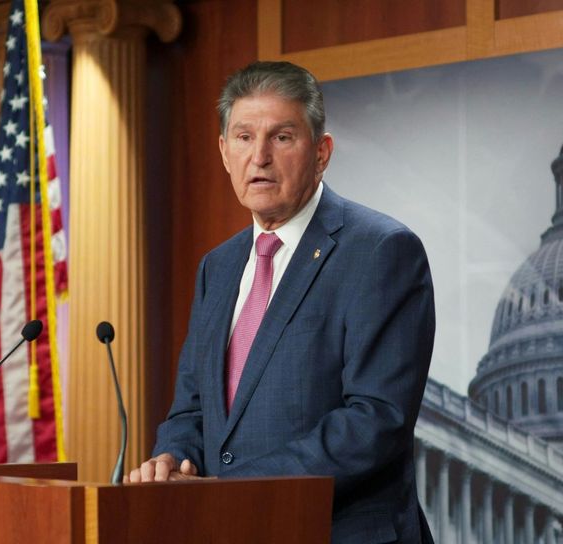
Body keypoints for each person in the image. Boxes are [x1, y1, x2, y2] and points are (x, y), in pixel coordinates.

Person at [127, 61, 436, 544]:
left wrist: (225, 490)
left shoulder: (381, 250)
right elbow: (191, 409)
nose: (260, 157)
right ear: (224, 153)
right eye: (244, 137)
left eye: (282, 136)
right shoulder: (218, 266)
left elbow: (376, 420)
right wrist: (171, 459)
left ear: (322, 152)